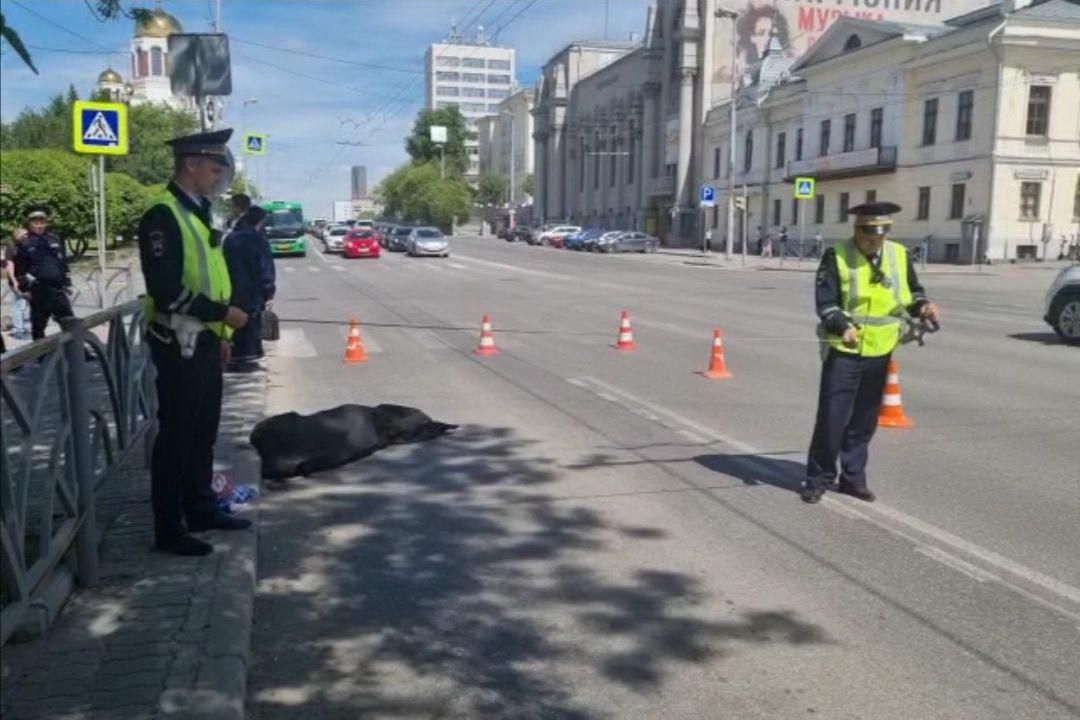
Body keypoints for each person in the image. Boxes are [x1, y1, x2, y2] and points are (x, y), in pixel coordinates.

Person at [138, 128, 251, 556]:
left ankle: (200, 507)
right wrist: (223, 315)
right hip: (176, 342)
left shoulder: (198, 212)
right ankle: (169, 529)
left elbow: (211, 277)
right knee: (176, 437)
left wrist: (219, 333)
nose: (220, 174)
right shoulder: (162, 215)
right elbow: (166, 288)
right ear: (191, 164)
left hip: (203, 340)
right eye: (215, 165)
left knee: (203, 433)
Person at [801, 202, 939, 504]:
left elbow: (911, 293)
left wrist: (923, 306)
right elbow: (826, 302)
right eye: (867, 234)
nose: (873, 240)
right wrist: (842, 326)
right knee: (832, 418)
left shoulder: (899, 255)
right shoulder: (836, 255)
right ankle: (818, 477)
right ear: (857, 230)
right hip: (844, 350)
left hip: (881, 350)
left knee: (864, 420)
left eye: (879, 235)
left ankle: (853, 478)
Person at [223, 205, 276, 372]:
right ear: (261, 221)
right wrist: (269, 292)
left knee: (236, 323)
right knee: (251, 325)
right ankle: (246, 360)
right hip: (253, 292)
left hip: (231, 289)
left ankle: (234, 357)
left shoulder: (231, 238)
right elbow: (265, 268)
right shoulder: (258, 240)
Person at [13, 207, 74, 340]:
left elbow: (62, 263)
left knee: (70, 322)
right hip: (39, 291)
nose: (39, 225)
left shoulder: (54, 239)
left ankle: (79, 352)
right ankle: (41, 357)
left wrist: (68, 283)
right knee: (38, 326)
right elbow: (20, 270)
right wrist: (25, 289)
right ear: (29, 224)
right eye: (35, 223)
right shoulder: (25, 243)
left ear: (46, 223)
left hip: (57, 290)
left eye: (42, 222)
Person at [4, 228, 31, 340]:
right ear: (17, 237)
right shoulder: (11, 249)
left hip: (27, 280)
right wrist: (14, 281)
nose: (26, 237)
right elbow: (10, 266)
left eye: (27, 235)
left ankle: (23, 328)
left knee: (27, 305)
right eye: (24, 235)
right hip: (17, 280)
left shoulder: (26, 247)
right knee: (19, 305)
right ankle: (18, 330)